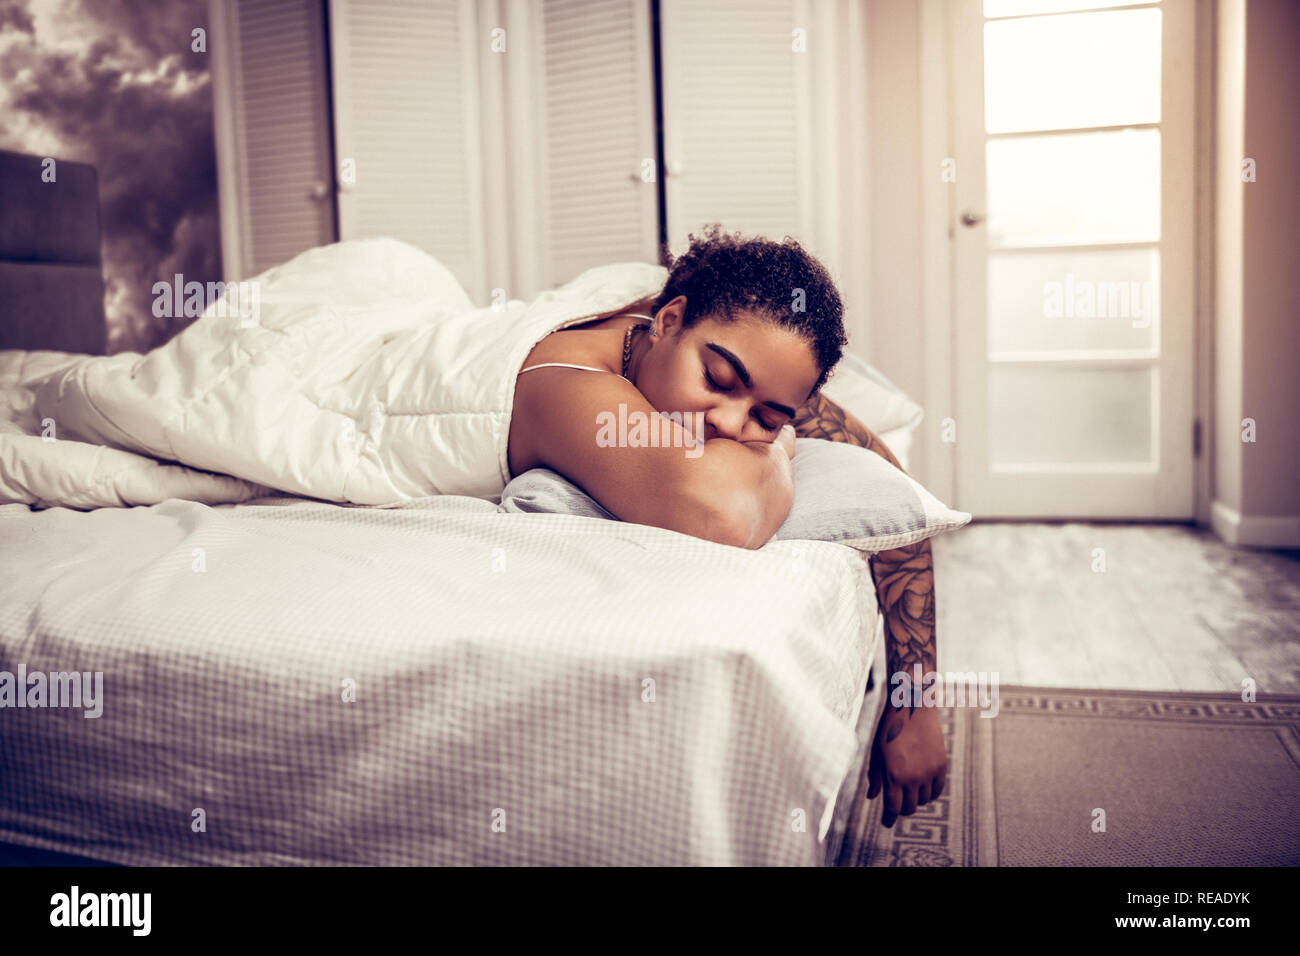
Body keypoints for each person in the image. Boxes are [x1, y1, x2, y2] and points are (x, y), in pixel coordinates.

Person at [508, 224, 846, 550]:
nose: (728, 426)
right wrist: (780, 443)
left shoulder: (673, 334)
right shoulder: (568, 386)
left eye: (767, 419)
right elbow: (721, 512)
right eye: (718, 379)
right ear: (668, 321)